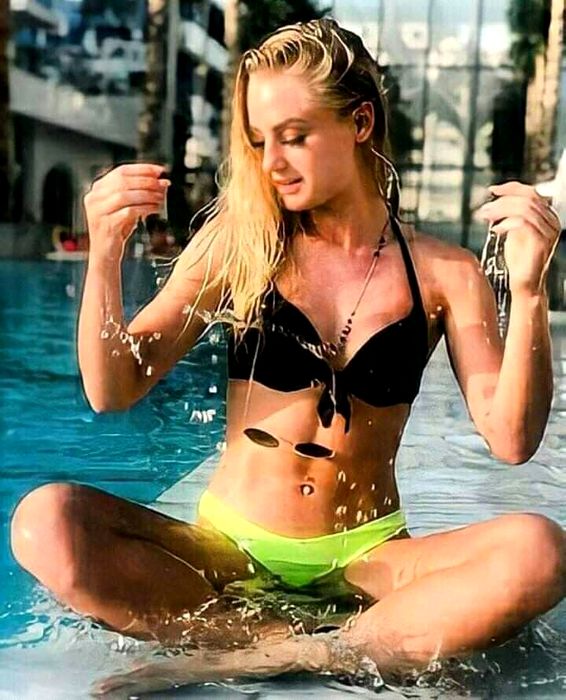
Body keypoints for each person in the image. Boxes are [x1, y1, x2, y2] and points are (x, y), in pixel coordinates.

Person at [10, 18, 565, 693]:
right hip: (226, 551)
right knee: (44, 522)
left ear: (360, 122)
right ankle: (318, 645)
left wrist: (530, 290)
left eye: (295, 136)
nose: (272, 161)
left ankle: (268, 653)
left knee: (539, 551)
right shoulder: (241, 246)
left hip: (368, 560)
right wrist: (104, 253)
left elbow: (511, 438)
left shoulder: (444, 273)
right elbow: (114, 386)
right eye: (259, 139)